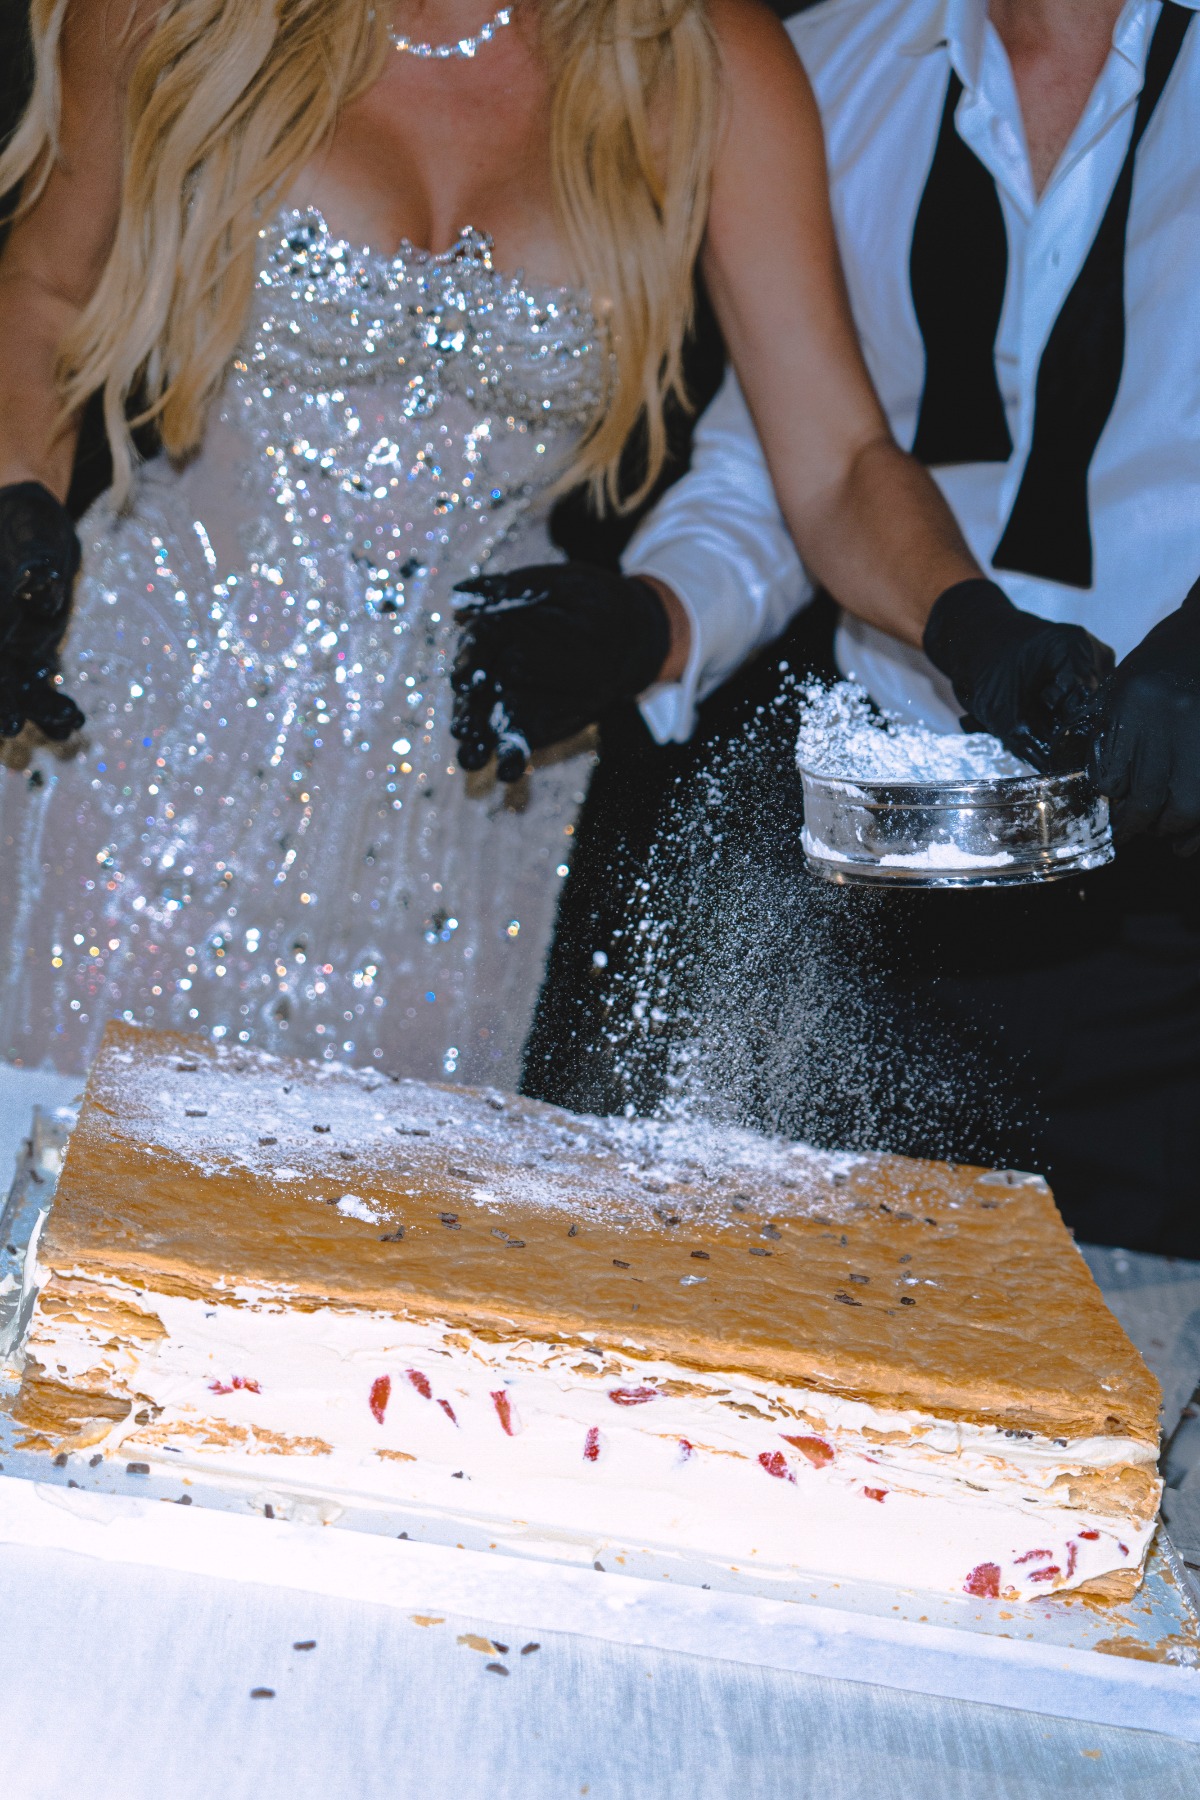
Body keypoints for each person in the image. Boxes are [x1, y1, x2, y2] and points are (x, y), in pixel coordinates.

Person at [0, 0, 1009, 1097]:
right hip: (134, 744)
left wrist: (974, 624)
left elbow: (840, 462)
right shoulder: (187, 13)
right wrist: (12, 497)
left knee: (372, 1239)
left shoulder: (702, 56)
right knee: (62, 1210)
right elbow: (47, 289)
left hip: (460, 814)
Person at [513, 0, 1200, 1251]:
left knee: (1138, 1394)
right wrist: (649, 619)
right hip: (884, 870)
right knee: (805, 1352)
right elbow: (782, 460)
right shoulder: (824, 58)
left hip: (1180, 917)